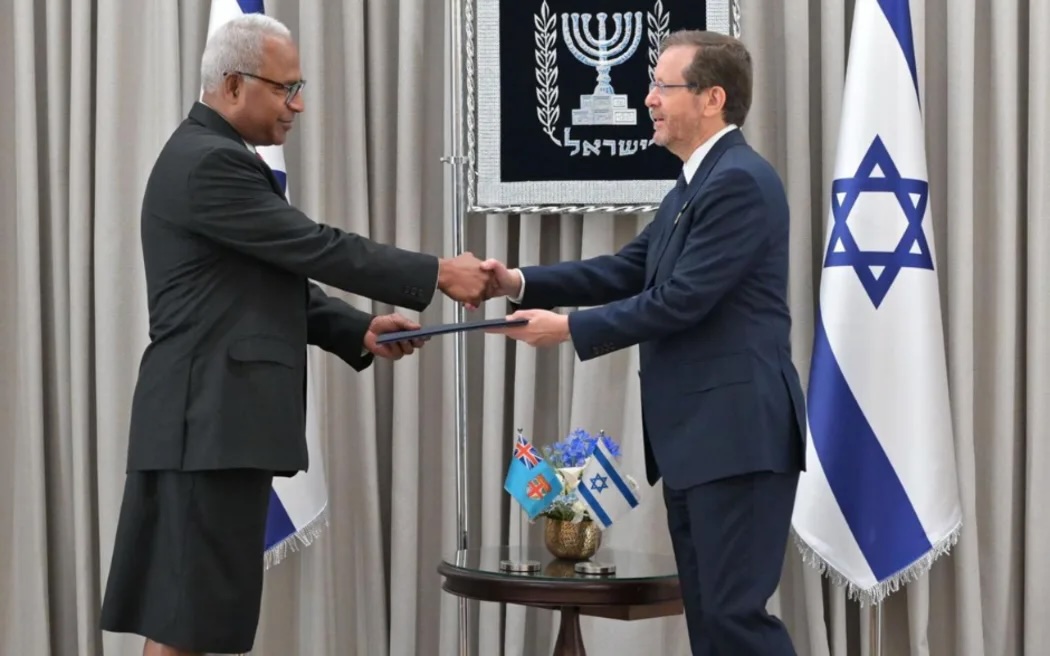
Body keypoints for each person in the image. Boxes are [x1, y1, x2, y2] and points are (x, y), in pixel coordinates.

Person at [98, 14, 489, 656]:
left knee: (193, 621)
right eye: (285, 88)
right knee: (188, 625)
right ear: (231, 85)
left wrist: (357, 328)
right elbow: (312, 246)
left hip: (207, 426)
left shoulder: (218, 158)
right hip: (207, 427)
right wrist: (438, 271)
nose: (297, 104)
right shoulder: (210, 164)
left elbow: (267, 281)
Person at [482, 30, 805, 655]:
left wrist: (570, 327)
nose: (649, 98)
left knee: (735, 620)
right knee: (711, 622)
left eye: (663, 85)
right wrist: (518, 281)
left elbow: (681, 300)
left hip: (737, 436)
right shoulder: (695, 182)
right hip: (701, 441)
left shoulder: (738, 181)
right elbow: (630, 267)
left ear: (713, 98)